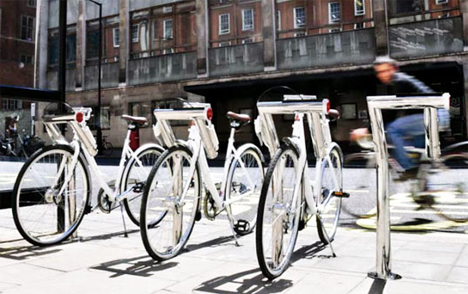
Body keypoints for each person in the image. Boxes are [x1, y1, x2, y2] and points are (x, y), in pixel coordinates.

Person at [351, 56, 450, 180]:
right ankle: (423, 190)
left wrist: (367, 130)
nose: (383, 75)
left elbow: (391, 112)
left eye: (386, 70)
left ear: (394, 69)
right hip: (434, 115)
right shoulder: (401, 81)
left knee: (393, 129)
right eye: (379, 72)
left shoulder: (399, 81)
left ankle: (409, 168)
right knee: (418, 154)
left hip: (434, 115)